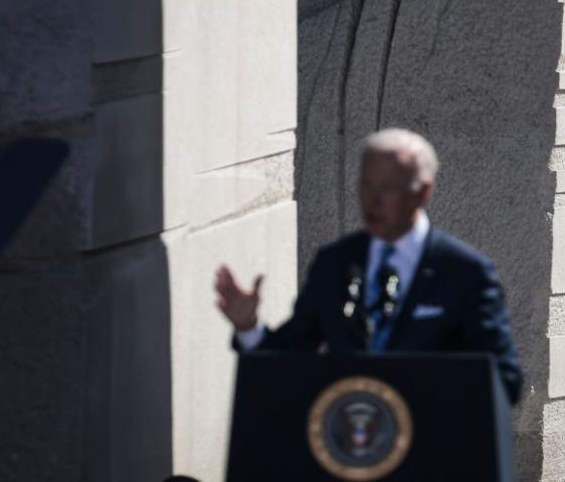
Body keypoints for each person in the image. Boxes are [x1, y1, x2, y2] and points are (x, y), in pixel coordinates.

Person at [214, 128, 522, 403]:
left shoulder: (465, 272)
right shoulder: (335, 262)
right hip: (348, 448)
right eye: (366, 185)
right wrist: (249, 326)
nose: (372, 201)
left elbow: (505, 382)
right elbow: (291, 355)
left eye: (387, 188)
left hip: (432, 451)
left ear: (422, 192)